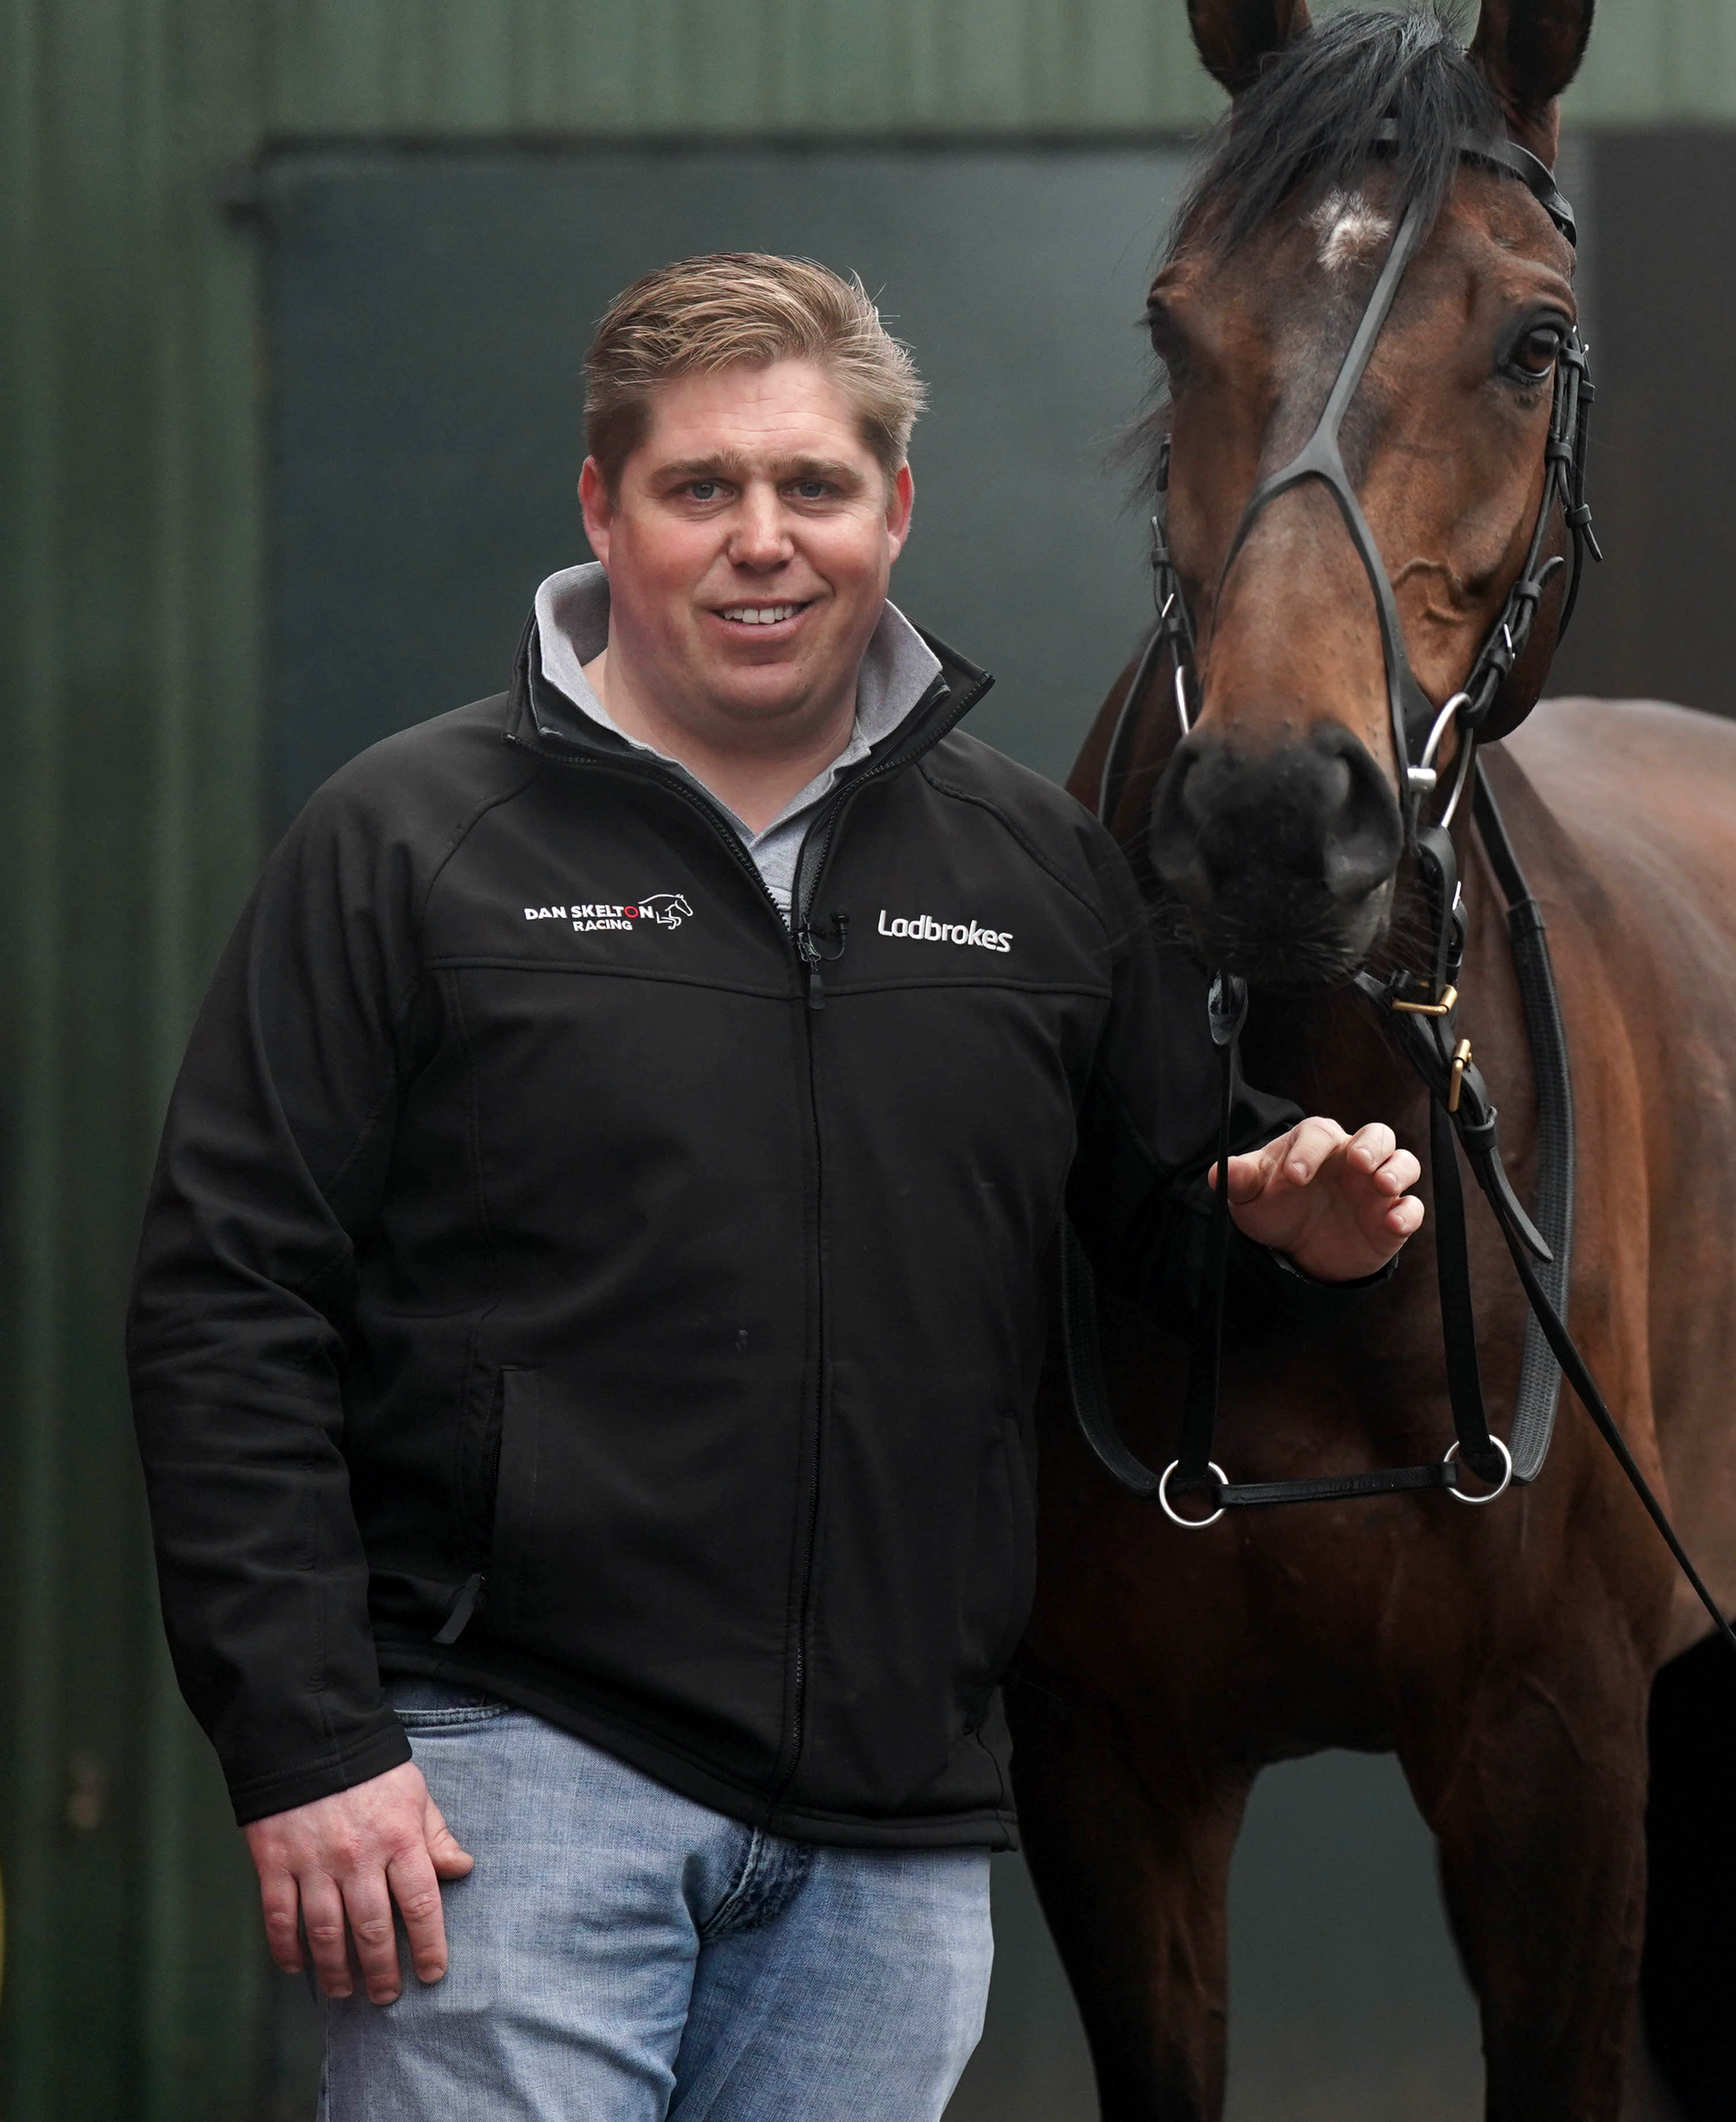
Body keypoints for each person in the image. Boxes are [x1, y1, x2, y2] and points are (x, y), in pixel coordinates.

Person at [124, 253, 1422, 2120]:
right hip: (509, 1803)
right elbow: (222, 1303)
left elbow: (1149, 1233)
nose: (763, 542)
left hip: (887, 1853)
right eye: (699, 489)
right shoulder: (408, 844)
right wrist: (306, 1741)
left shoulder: (1038, 869)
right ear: (602, 508)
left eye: (812, 488)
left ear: (894, 510)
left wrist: (1282, 1224)